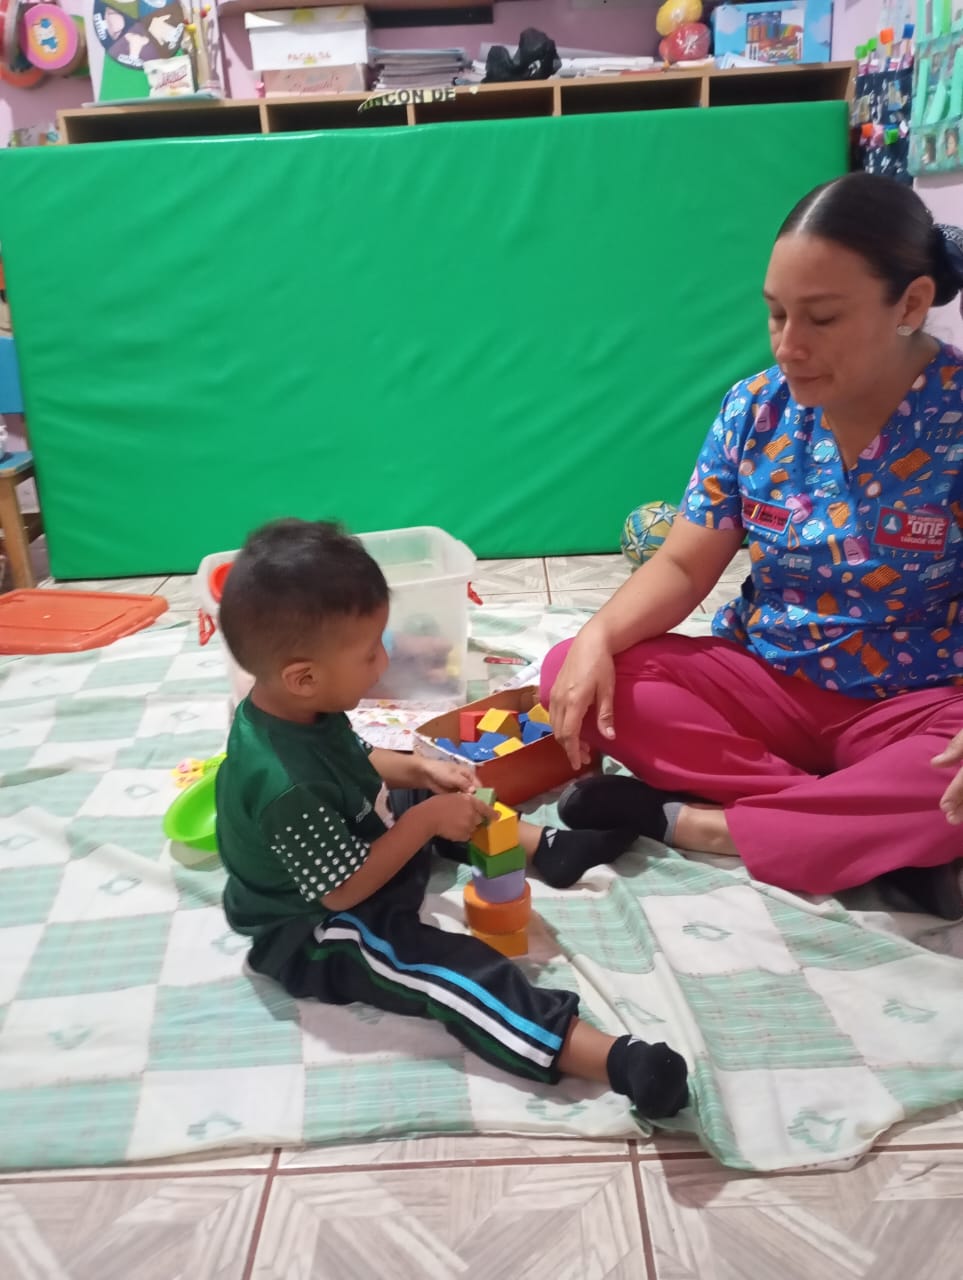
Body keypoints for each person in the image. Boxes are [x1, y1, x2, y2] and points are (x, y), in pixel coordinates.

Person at [542, 174, 963, 920]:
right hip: (766, 684)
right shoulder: (755, 408)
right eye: (775, 314)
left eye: (821, 318)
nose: (789, 346)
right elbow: (682, 564)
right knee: (578, 669)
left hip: (913, 703)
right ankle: (858, 833)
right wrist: (598, 635)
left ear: (909, 304)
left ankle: (697, 823)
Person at [214, 519, 688, 1118]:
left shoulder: (301, 708)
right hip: (315, 929)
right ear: (303, 677)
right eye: (369, 652)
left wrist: (417, 770)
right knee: (450, 967)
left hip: (359, 847)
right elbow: (342, 892)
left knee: (440, 796)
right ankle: (610, 1058)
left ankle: (548, 848)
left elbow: (357, 761)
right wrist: (425, 823)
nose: (384, 660)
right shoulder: (286, 787)